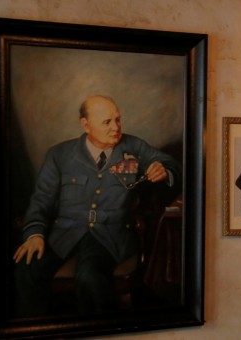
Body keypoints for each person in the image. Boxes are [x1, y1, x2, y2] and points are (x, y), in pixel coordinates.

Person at [13, 94, 182, 317]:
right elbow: (41, 200)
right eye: (107, 122)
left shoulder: (134, 146)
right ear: (86, 125)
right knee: (26, 271)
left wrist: (164, 171)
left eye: (118, 120)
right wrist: (34, 233)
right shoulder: (59, 154)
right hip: (64, 233)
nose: (116, 127)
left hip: (109, 235)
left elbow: (173, 166)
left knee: (90, 278)